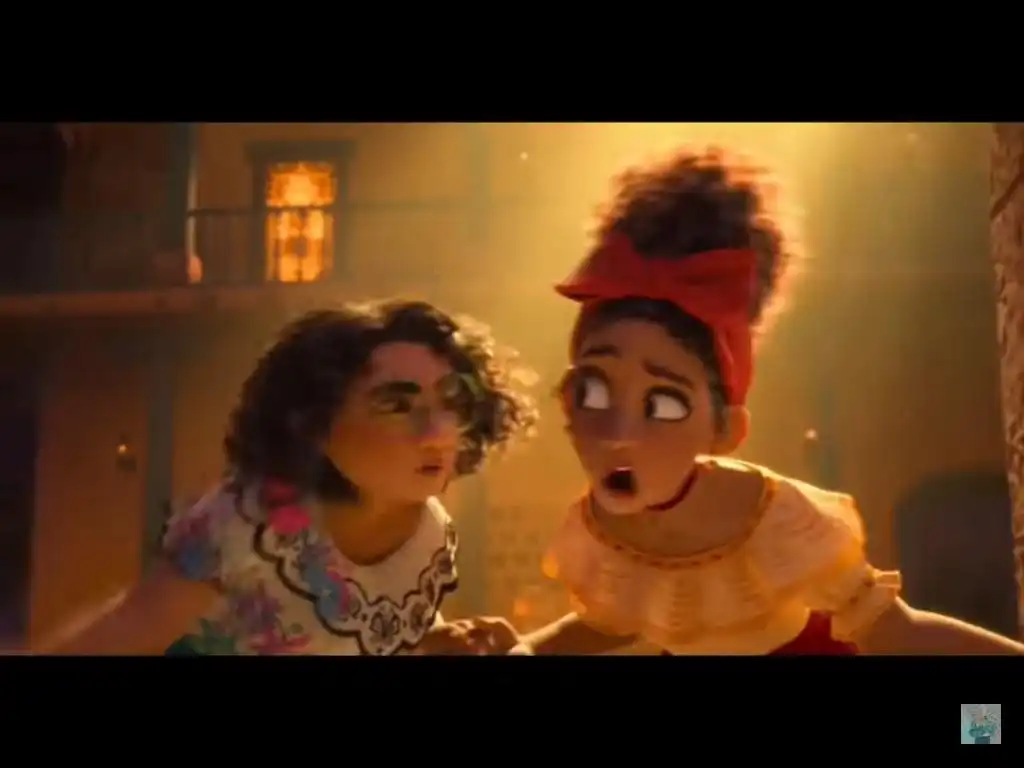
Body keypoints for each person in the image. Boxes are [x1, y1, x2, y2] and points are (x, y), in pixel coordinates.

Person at [509, 148, 1024, 656]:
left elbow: (896, 632)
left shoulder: (778, 525)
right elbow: (615, 620)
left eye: (663, 405)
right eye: (594, 390)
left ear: (726, 430)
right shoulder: (601, 531)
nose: (619, 433)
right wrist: (525, 648)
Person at [37, 299, 537, 655]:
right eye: (395, 406)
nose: (437, 432)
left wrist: (440, 642)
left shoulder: (430, 534)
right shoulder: (247, 529)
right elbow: (121, 635)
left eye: (451, 401)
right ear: (312, 422)